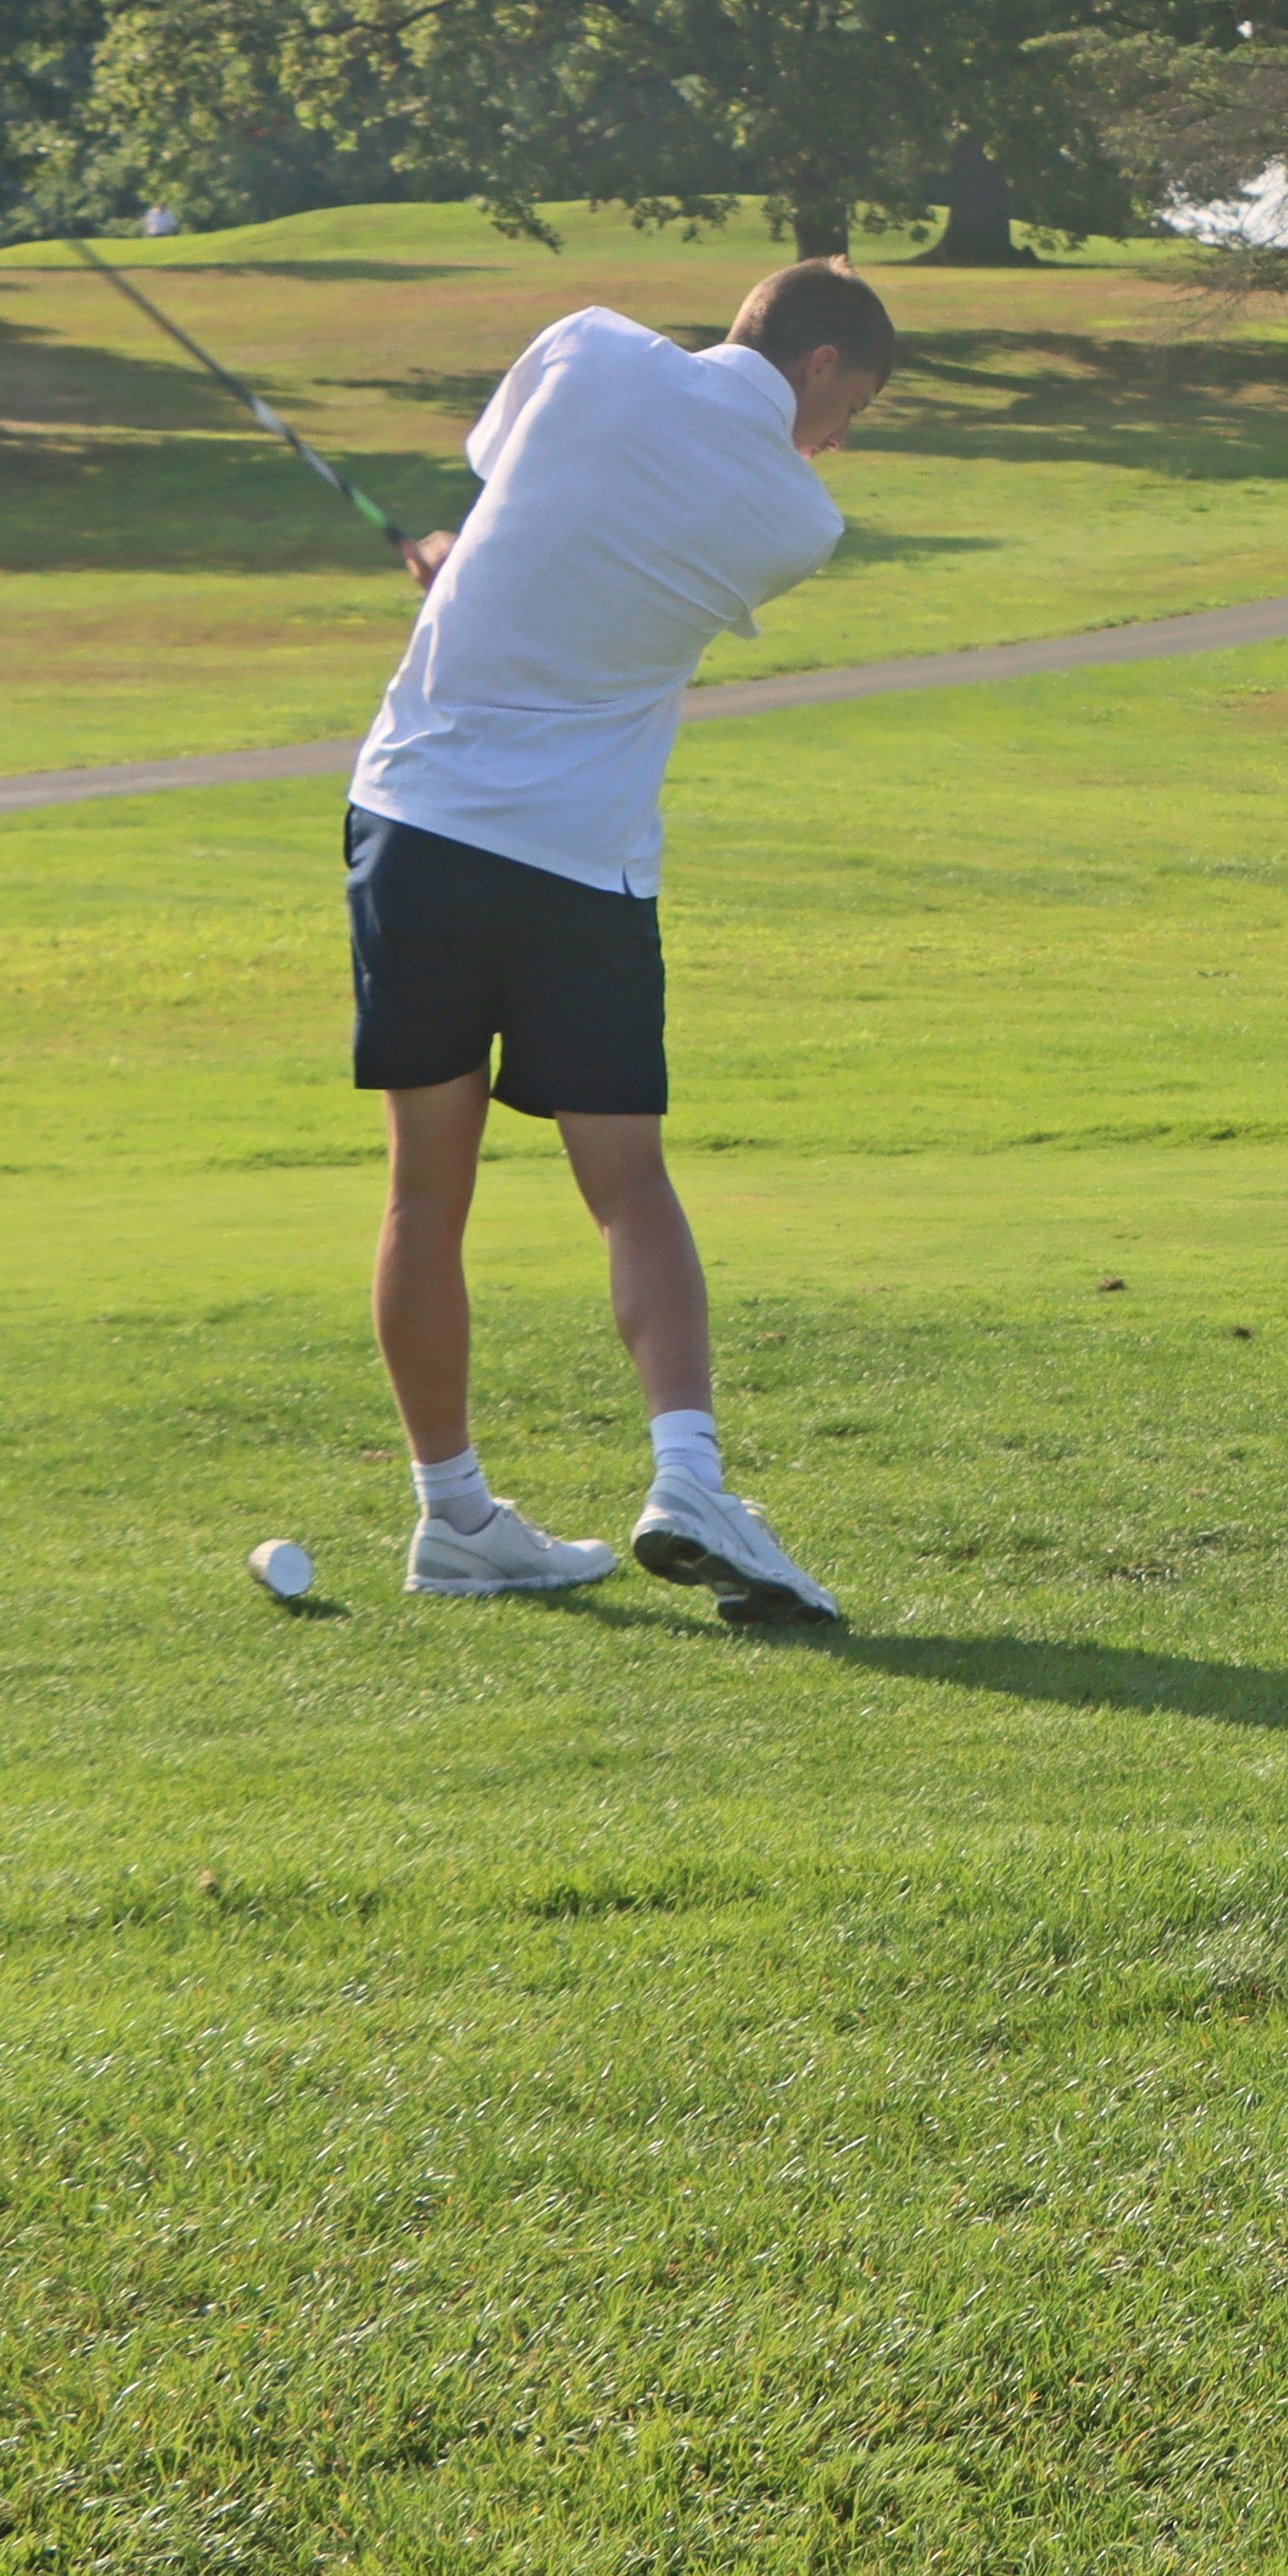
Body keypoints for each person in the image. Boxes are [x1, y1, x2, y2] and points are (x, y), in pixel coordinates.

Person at [350, 261, 899, 1627]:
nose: (840, 442)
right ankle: (687, 1473)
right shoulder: (796, 516)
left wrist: (456, 572)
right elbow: (614, 563)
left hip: (410, 822)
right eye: (855, 409)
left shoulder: (585, 346)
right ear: (822, 364)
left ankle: (454, 1515)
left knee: (428, 1190)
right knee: (627, 1185)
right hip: (578, 868)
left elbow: (517, 500)